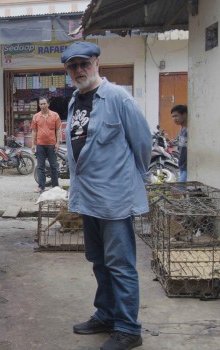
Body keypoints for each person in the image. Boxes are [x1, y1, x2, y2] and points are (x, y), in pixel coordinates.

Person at [62, 41, 151, 350]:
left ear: (97, 62)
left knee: (120, 265)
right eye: (72, 66)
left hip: (115, 198)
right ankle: (107, 315)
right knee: (98, 261)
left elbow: (142, 144)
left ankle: (129, 329)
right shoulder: (74, 100)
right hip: (88, 198)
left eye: (84, 64)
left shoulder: (117, 98)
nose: (79, 70)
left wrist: (131, 182)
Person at [32, 96, 61, 193]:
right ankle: (41, 187)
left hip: (52, 144)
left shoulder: (55, 115)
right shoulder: (36, 116)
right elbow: (34, 131)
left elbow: (58, 130)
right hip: (40, 145)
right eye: (41, 104)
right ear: (39, 105)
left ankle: (55, 186)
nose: (43, 105)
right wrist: (33, 144)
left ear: (48, 104)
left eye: (44, 103)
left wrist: (57, 143)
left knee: (53, 166)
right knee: (40, 166)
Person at [171, 104, 188, 182]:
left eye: (176, 116)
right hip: (182, 165)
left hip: (188, 167)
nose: (174, 119)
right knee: (182, 191)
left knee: (177, 191)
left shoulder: (189, 130)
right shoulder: (181, 129)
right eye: (173, 117)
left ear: (184, 115)